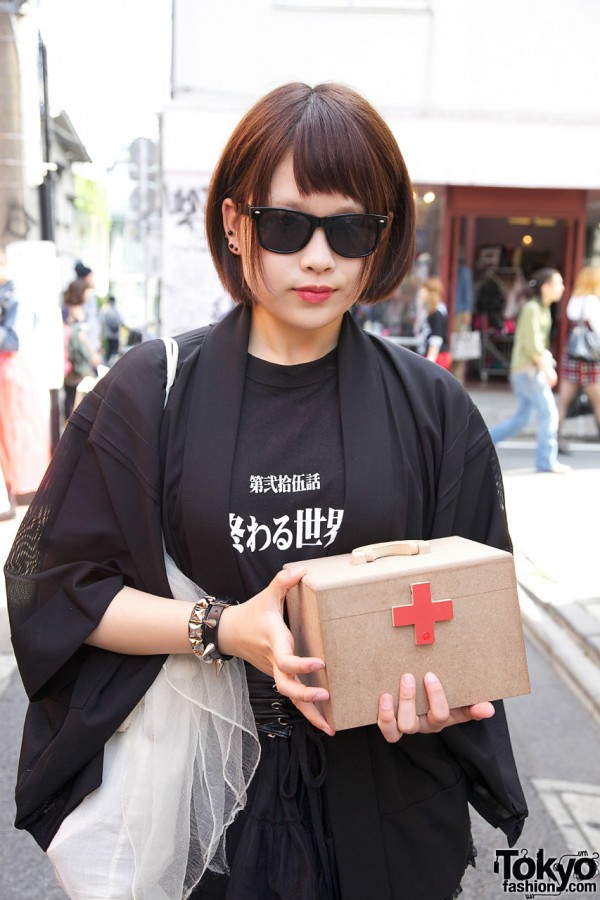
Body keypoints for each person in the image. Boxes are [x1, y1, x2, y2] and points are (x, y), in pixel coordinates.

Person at [5, 82, 527, 900]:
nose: (319, 256)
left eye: (351, 229)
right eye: (287, 225)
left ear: (381, 238)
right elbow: (53, 586)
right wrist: (221, 627)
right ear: (234, 222)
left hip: (382, 797)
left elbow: (469, 607)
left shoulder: (434, 409)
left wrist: (443, 696)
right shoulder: (150, 392)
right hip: (204, 807)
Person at [489, 268, 571, 474]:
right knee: (549, 414)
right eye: (558, 283)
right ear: (545, 287)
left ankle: (483, 442)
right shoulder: (533, 309)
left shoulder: (541, 308)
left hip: (527, 370)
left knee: (523, 418)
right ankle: (546, 461)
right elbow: (532, 344)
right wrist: (547, 369)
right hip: (529, 371)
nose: (562, 288)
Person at [0, 246, 50, 506]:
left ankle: (16, 494)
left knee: (16, 432)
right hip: (8, 372)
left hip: (10, 373)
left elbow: (13, 340)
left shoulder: (16, 295)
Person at [556, 265, 600, 454]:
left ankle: (554, 437)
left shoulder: (574, 300)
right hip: (589, 357)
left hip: (573, 354)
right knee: (598, 401)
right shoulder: (592, 301)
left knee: (564, 400)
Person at [63, 277, 103, 420]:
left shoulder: (71, 308)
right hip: (75, 359)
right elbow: (80, 336)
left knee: (73, 394)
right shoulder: (74, 311)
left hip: (74, 358)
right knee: (75, 394)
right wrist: (93, 354)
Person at [415, 275, 452, 369]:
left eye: (424, 289)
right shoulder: (432, 310)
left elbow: (436, 339)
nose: (421, 292)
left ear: (429, 292)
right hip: (432, 357)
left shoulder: (437, 312)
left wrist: (430, 364)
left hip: (435, 358)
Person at [99, 294, 124, 361]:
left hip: (108, 334)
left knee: (110, 350)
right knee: (114, 351)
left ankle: (110, 362)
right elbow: (122, 320)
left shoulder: (105, 311)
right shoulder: (117, 311)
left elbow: (101, 322)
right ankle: (112, 362)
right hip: (115, 335)